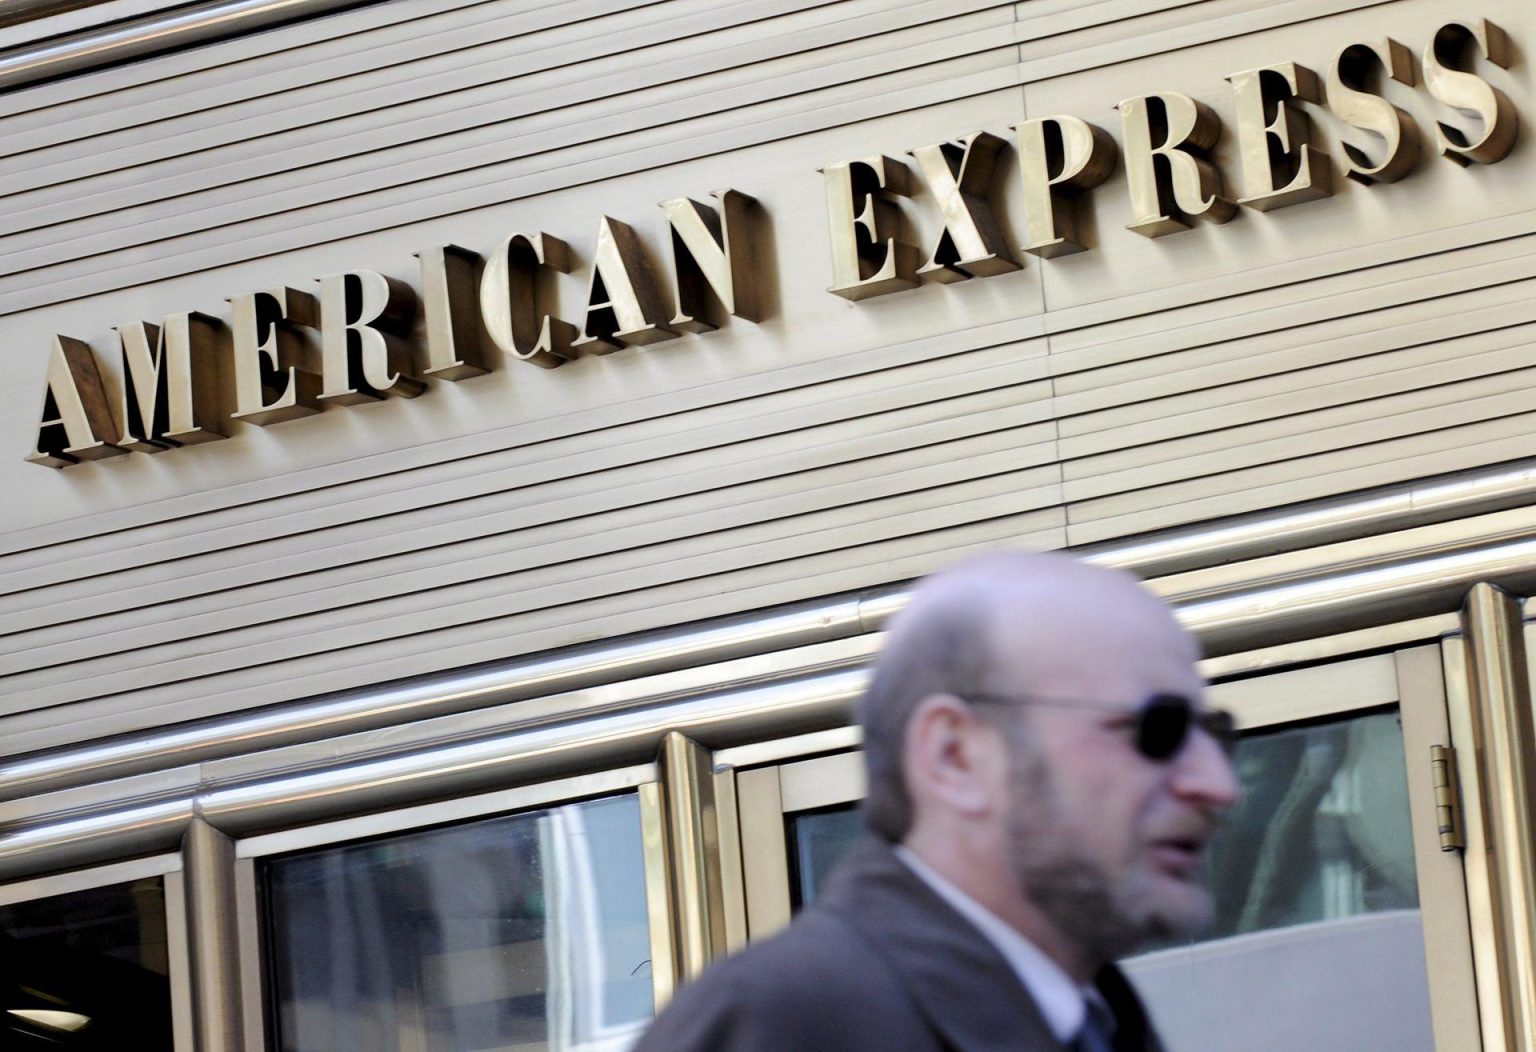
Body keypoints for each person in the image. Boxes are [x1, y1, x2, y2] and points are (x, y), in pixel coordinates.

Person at [633, 550, 1240, 1051]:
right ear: (956, 757)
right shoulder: (777, 1027)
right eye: (1158, 731)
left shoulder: (1098, 1026)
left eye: (1213, 736)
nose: (1217, 785)